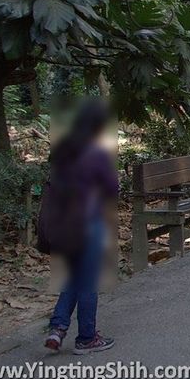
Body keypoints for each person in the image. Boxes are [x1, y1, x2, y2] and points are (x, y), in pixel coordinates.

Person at [41, 99, 118, 355]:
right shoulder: (96, 153)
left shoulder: (63, 150)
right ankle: (86, 337)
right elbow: (111, 188)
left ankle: (58, 327)